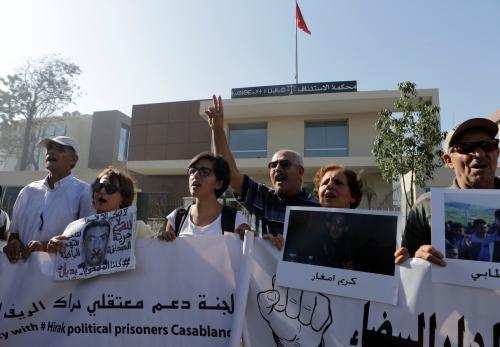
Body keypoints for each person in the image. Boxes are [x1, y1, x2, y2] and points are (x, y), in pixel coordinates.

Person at [205, 95, 319, 249]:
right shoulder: (263, 197)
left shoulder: (316, 207)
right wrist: (217, 129)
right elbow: (230, 172)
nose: (277, 168)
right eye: (273, 165)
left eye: (284, 164)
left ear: (300, 171)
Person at [396, 118, 500, 265]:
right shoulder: (427, 206)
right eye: (466, 147)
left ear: (497, 152)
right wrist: (416, 260)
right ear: (448, 160)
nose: (479, 153)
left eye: (488, 145)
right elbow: (406, 268)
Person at [3, 136, 94, 262]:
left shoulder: (85, 192)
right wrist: (13, 243)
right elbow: (14, 234)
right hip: (21, 274)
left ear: (74, 159)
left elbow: (88, 236)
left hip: (58, 277)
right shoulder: (28, 191)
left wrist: (46, 246)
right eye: (49, 148)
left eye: (60, 149)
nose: (51, 152)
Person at [47, 166, 155, 253]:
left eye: (110, 189)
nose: (101, 191)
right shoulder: (75, 229)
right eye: (98, 187)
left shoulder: (138, 229)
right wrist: (52, 248)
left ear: (124, 198)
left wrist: (165, 240)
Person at [159, 152, 249, 242]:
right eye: (192, 171)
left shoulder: (235, 219)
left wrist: (251, 238)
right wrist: (163, 239)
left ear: (218, 183)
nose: (196, 175)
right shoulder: (177, 218)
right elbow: (168, 253)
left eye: (204, 172)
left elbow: (249, 249)